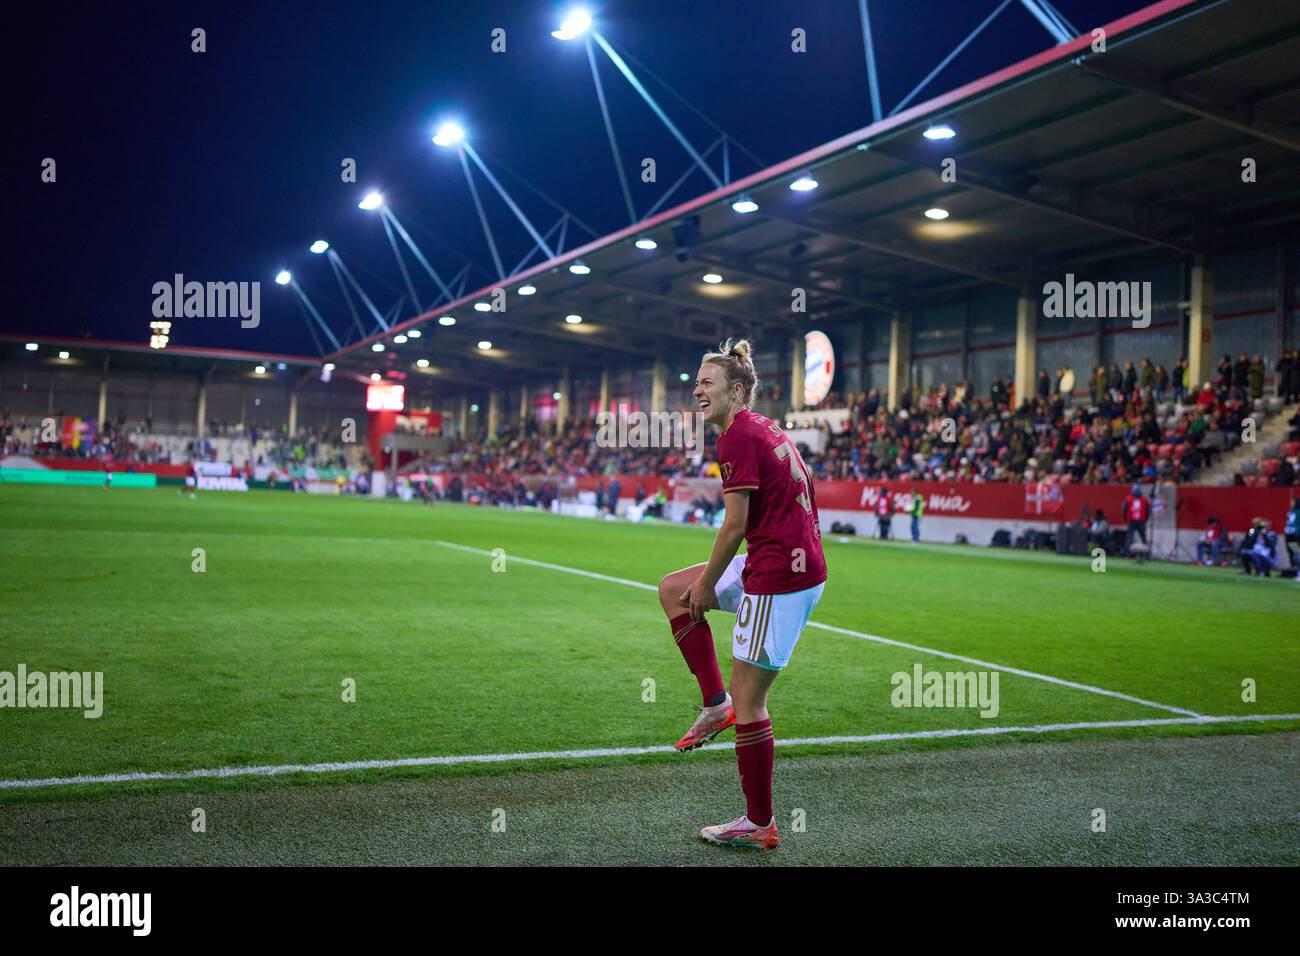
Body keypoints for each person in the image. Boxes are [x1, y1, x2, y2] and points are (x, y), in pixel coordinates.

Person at [656, 339, 827, 851]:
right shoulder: (761, 426)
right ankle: (714, 705)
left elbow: (735, 523)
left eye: (706, 383)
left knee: (751, 703)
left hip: (780, 577)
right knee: (672, 590)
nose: (697, 390)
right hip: (778, 562)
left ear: (736, 390)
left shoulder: (734, 438)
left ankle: (759, 824)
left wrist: (709, 585)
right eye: (696, 383)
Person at [1121, 484, 1149, 556]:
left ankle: (1127, 553)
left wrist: (1126, 518)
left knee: (1130, 537)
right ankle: (1146, 554)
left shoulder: (1128, 498)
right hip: (1140, 521)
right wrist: (1145, 519)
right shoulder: (1144, 499)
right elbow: (1147, 511)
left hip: (1133, 521)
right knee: (1142, 538)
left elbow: (1124, 510)